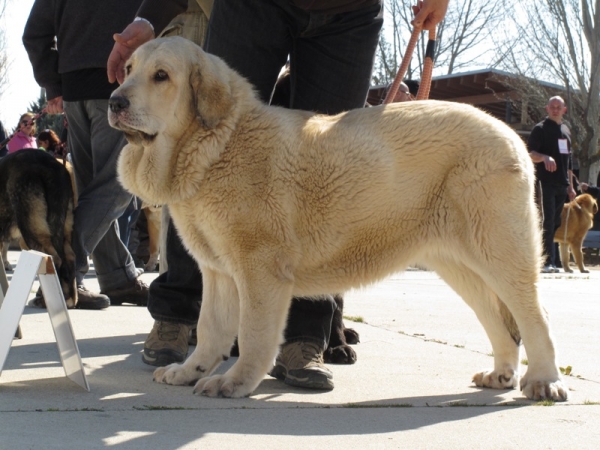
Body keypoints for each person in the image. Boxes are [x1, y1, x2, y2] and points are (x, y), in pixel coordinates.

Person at [108, 0, 450, 389]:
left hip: (349, 12)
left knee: (327, 176)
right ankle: (177, 314)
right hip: (252, 8)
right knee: (198, 134)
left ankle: (305, 338)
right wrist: (149, 16)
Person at [21, 0, 187, 308]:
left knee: (93, 192)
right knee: (120, 184)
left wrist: (53, 82)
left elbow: (34, 33)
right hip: (123, 86)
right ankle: (62, 276)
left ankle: (117, 278)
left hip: (74, 90)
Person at [528, 96, 576, 274]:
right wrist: (544, 157)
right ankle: (545, 261)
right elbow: (530, 153)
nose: (555, 110)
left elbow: (569, 162)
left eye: (559, 107)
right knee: (546, 221)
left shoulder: (566, 130)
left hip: (561, 184)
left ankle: (552, 261)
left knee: (555, 222)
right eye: (552, 107)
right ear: (547, 108)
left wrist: (570, 186)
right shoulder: (540, 129)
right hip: (545, 183)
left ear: (564, 110)